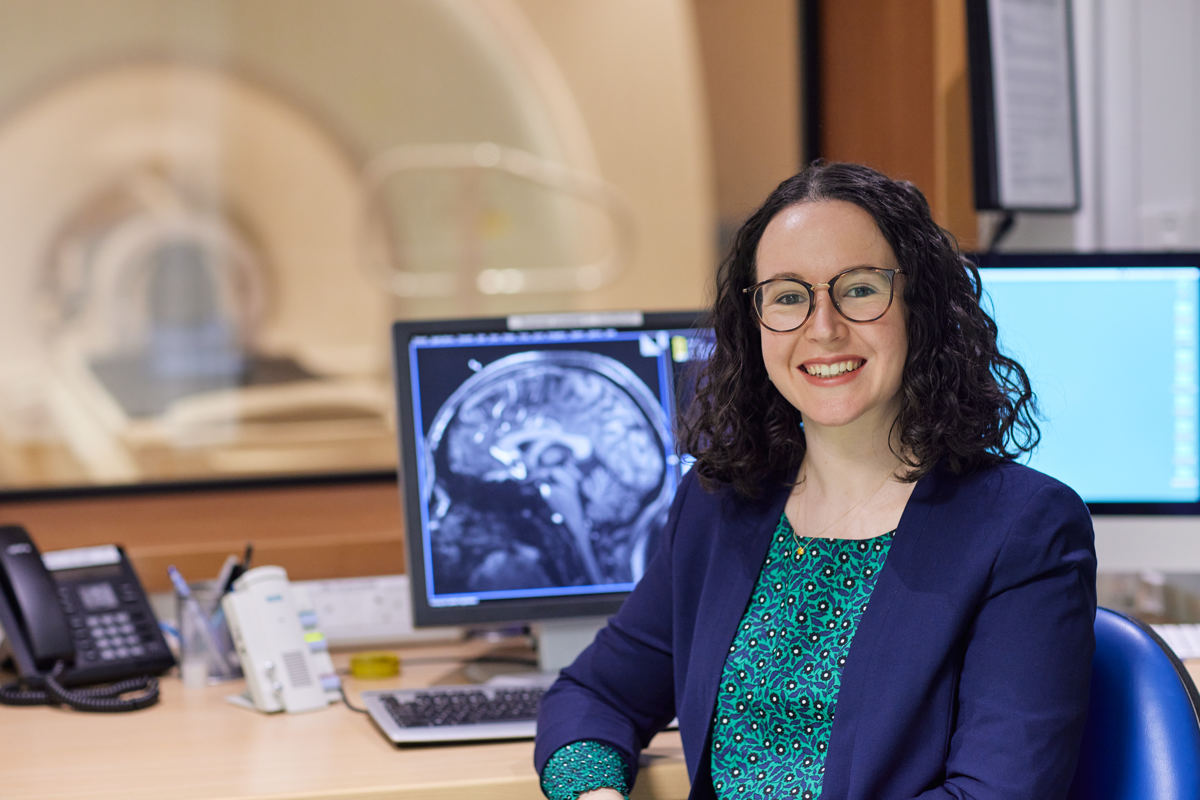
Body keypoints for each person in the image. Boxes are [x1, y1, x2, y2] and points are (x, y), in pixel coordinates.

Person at [533, 161, 1096, 800]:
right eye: (789, 296)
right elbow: (593, 695)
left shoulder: (1022, 528)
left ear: (920, 305)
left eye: (858, 289)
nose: (822, 328)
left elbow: (996, 794)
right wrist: (594, 792)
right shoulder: (721, 503)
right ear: (756, 323)